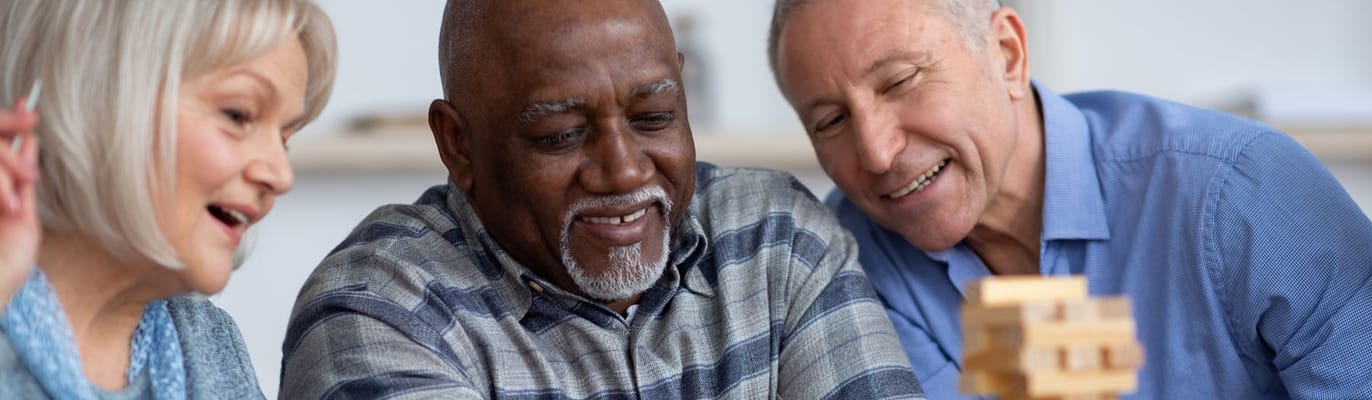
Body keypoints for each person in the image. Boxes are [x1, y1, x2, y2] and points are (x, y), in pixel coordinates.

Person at [278, 0, 924, 398]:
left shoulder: (776, 237)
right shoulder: (376, 309)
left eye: (653, 116)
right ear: (459, 145)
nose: (621, 171)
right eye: (559, 135)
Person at [768, 0, 1372, 398]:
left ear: (1007, 55)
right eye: (829, 122)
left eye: (900, 82)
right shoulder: (849, 263)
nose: (875, 151)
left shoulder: (1241, 191)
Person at [0, 0, 336, 398]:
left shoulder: (208, 342)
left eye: (285, 140)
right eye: (238, 115)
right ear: (91, 93)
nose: (281, 176)